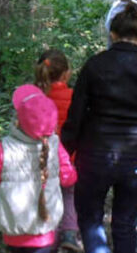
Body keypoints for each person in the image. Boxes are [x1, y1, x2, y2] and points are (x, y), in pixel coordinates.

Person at [61, 3, 137, 253]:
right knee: (125, 224)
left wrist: (62, 155)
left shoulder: (94, 65)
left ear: (112, 34)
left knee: (90, 220)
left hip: (93, 155)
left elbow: (75, 116)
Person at [0, 85, 78, 253]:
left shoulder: (4, 147)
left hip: (13, 228)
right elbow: (69, 178)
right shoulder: (55, 146)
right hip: (45, 229)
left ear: (19, 120)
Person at [34, 49, 82, 252]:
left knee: (46, 197)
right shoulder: (74, 97)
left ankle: (50, 239)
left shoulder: (33, 98)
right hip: (69, 158)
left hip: (42, 159)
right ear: (66, 73)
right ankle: (70, 233)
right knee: (70, 195)